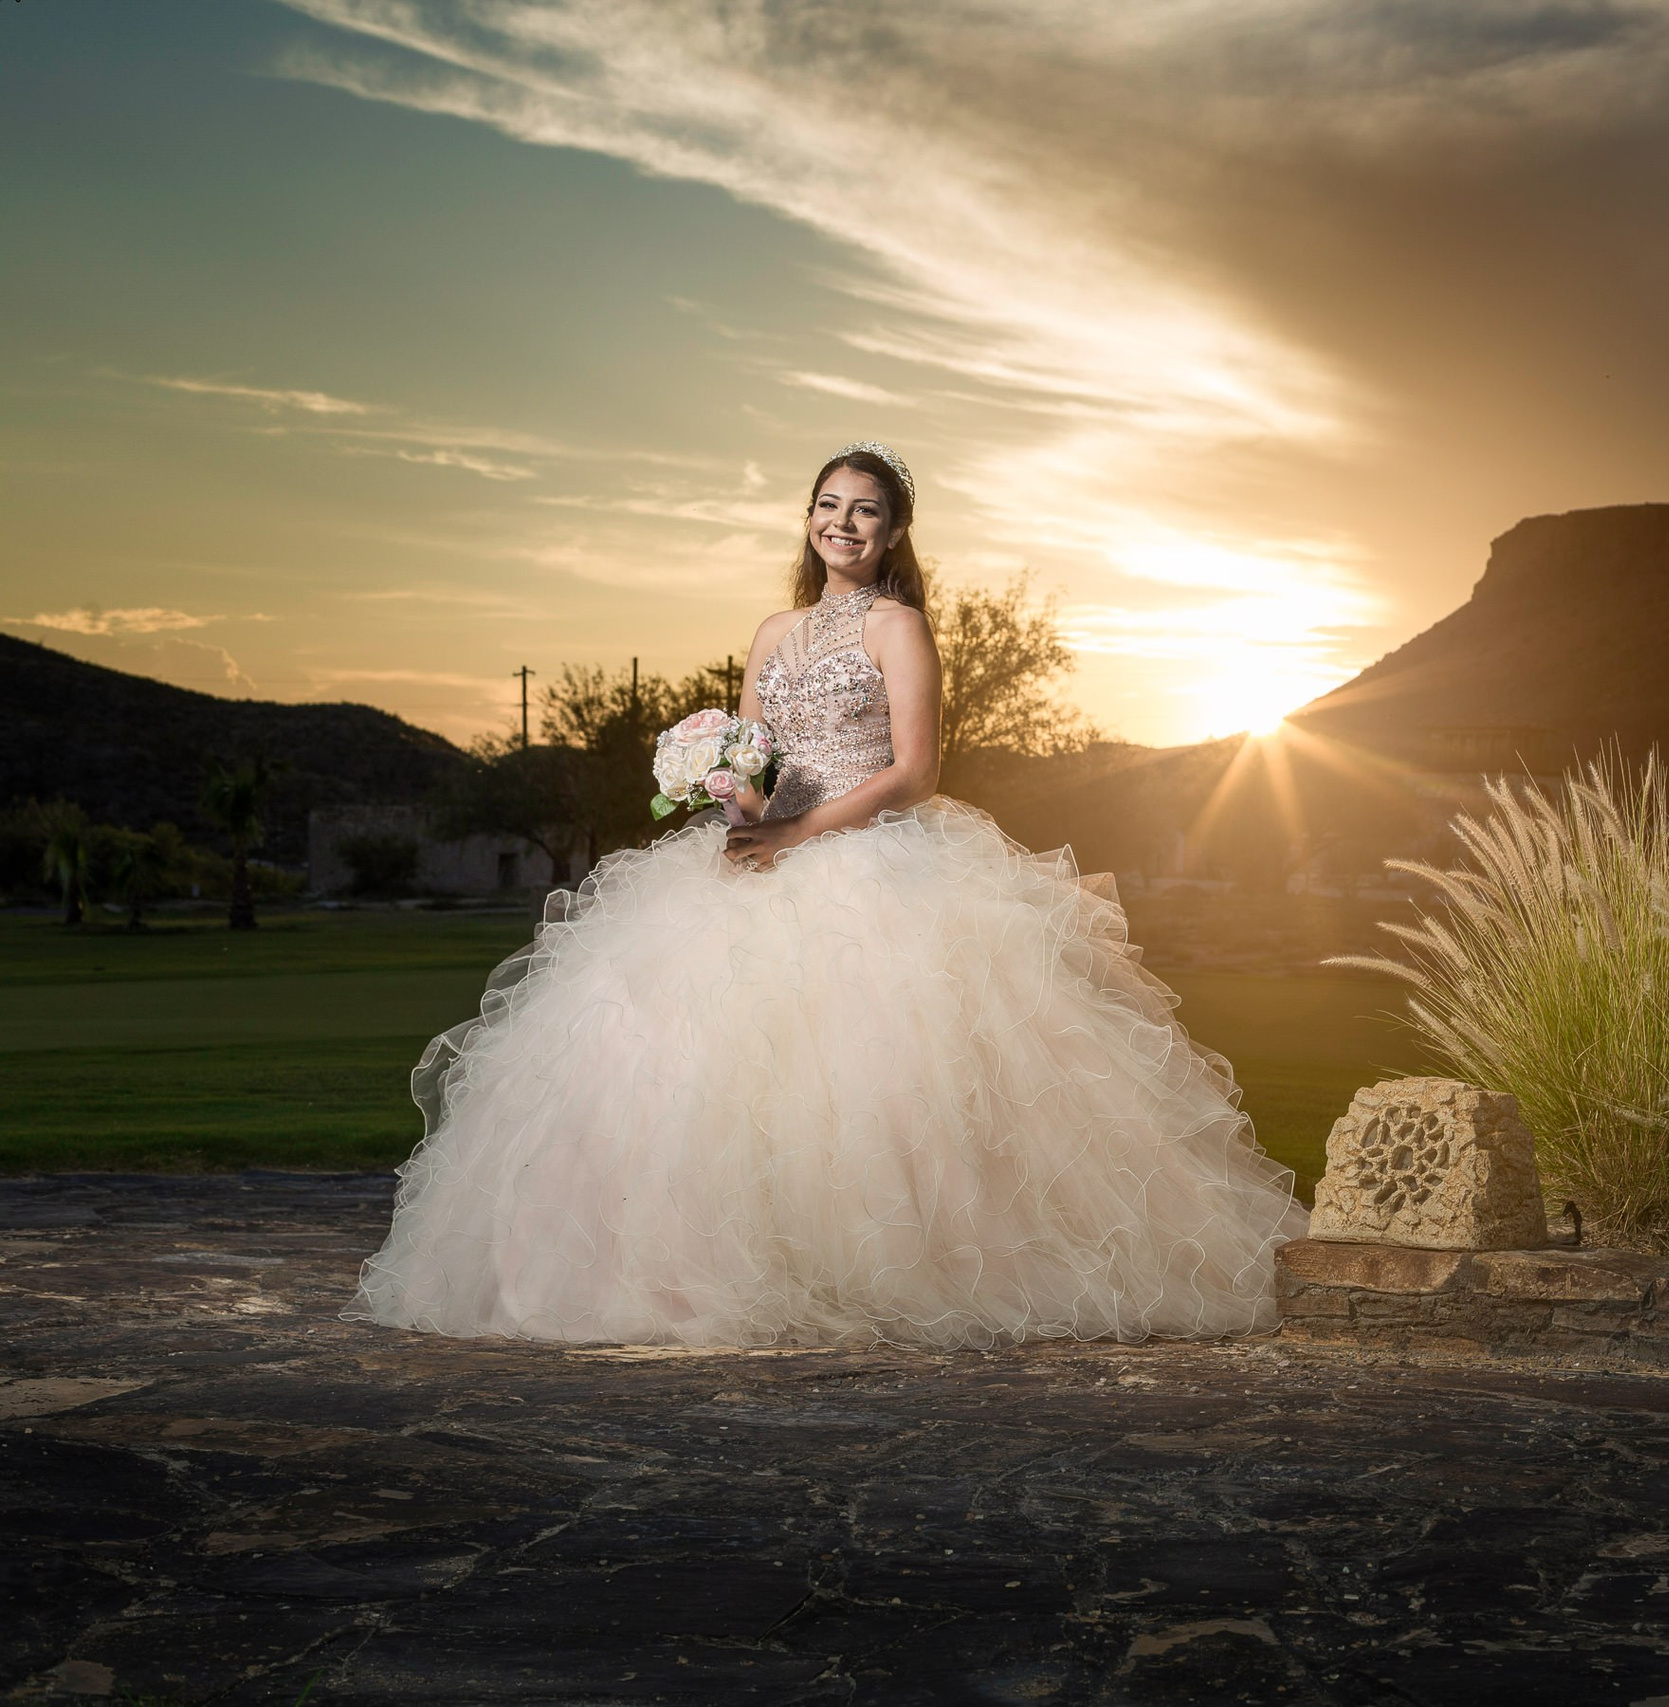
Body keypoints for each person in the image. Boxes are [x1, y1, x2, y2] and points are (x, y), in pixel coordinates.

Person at [347, 442, 1307, 1348]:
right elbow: (753, 757)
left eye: (866, 511)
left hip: (872, 862)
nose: (842, 523)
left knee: (879, 1075)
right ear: (808, 517)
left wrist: (798, 832)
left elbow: (916, 773)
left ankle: (893, 1271)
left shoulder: (900, 626)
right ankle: (690, 1268)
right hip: (760, 852)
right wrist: (731, 800)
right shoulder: (773, 631)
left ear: (895, 531)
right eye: (828, 505)